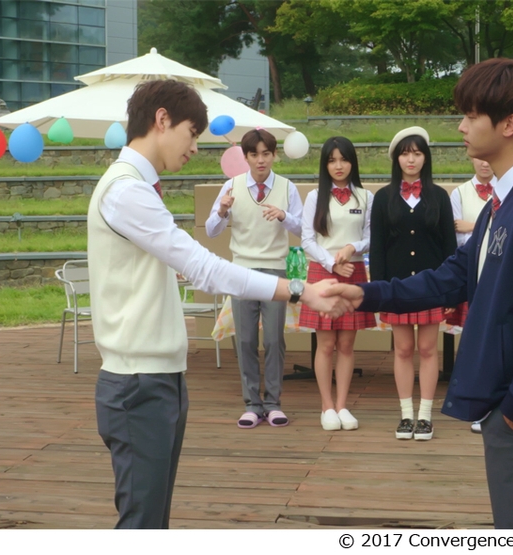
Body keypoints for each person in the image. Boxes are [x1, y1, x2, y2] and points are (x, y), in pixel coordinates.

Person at [324, 58, 513, 529]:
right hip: (507, 402)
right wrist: (366, 294)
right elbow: (450, 277)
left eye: (470, 115)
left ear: (509, 124)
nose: (461, 127)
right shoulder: (504, 202)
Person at [88, 80, 347, 529]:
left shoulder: (134, 186)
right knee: (142, 525)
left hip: (156, 376)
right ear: (162, 119)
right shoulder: (126, 190)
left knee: (152, 521)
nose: (194, 147)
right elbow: (205, 267)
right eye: (191, 133)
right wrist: (298, 289)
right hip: (138, 382)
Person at [206, 129, 304, 429]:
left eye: (266, 154)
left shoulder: (287, 187)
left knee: (274, 338)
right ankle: (252, 404)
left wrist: (284, 216)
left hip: (276, 270)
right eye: (254, 154)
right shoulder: (231, 186)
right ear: (246, 157)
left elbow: (303, 229)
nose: (260, 160)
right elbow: (211, 230)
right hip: (242, 271)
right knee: (246, 339)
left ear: (274, 155)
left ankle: (273, 403)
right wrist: (222, 210)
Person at [369, 126, 457, 441]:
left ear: (425, 157)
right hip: (396, 287)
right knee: (404, 349)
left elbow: (449, 247)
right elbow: (377, 248)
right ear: (396, 158)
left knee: (429, 349)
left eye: (417, 153)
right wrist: (379, 292)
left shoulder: (439, 196)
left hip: (431, 286)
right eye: (405, 154)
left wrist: (450, 289)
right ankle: (406, 414)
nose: (411, 159)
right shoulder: (383, 198)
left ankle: (425, 416)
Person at [299, 136, 377, 430]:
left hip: (353, 272)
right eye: (332, 160)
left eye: (343, 159)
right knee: (326, 344)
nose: (338, 165)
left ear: (352, 162)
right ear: (325, 165)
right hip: (322, 272)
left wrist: (352, 248)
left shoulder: (366, 197)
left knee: (346, 344)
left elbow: (371, 237)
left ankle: (343, 405)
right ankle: (326, 406)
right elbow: (307, 239)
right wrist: (332, 262)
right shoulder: (314, 197)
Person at [449, 157, 497, 434]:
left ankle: (492, 406)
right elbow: (458, 237)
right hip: (473, 271)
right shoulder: (459, 193)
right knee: (474, 339)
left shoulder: (506, 191)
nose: (485, 164)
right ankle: (474, 403)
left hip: (500, 271)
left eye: (488, 158)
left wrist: (472, 226)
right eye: (479, 158)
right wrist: (481, 229)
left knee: (495, 339)